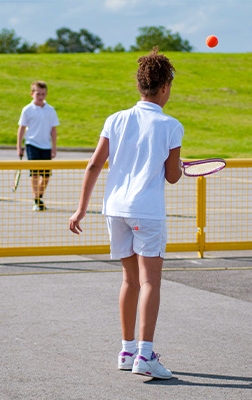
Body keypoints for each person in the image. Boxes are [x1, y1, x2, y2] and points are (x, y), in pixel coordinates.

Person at [69, 48, 184, 380]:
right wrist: (180, 166)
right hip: (146, 212)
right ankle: (145, 356)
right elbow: (172, 175)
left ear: (140, 85)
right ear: (164, 87)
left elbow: (93, 165)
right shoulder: (171, 125)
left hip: (114, 210)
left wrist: (80, 209)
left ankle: (126, 350)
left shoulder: (115, 119)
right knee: (150, 282)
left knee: (129, 280)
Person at [17, 81, 59, 211]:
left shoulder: (50, 110)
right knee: (35, 174)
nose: (40, 97)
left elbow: (53, 130)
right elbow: (22, 128)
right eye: (38, 94)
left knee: (46, 175)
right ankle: (36, 200)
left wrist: (54, 147)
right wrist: (19, 146)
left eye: (43, 94)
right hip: (32, 144)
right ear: (32, 94)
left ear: (46, 94)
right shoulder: (27, 110)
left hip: (46, 146)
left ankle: (39, 197)